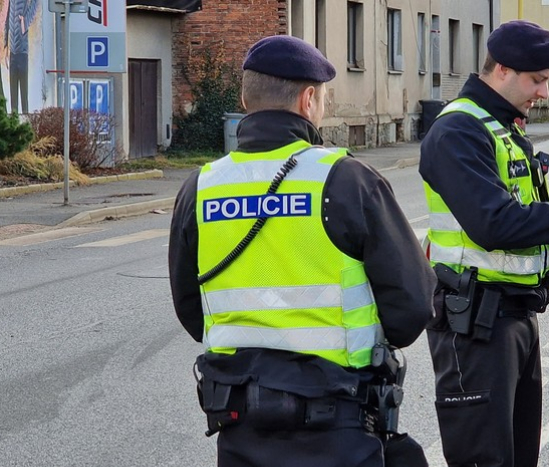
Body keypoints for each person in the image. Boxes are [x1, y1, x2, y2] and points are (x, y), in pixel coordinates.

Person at [168, 35, 435, 467]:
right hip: (338, 425)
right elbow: (411, 307)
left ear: (245, 97)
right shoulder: (346, 180)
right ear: (308, 99)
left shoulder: (200, 187)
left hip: (240, 426)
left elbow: (190, 309)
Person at [419, 20, 549, 467]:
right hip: (477, 324)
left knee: (518, 456)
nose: (544, 92)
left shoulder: (500, 126)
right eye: (538, 80)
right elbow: (494, 223)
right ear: (502, 69)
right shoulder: (459, 130)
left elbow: (516, 217)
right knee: (485, 459)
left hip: (513, 317)